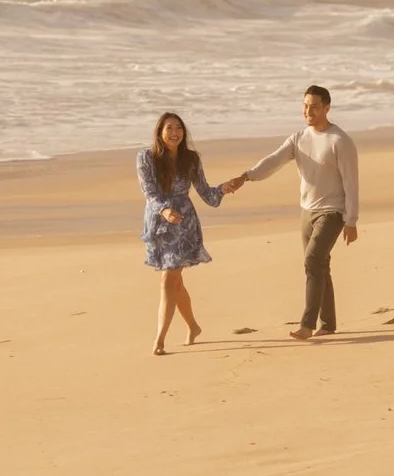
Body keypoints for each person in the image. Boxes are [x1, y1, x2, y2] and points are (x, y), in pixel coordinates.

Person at [221, 84, 358, 340]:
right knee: (320, 265)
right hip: (307, 211)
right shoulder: (299, 138)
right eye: (305, 106)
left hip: (333, 211)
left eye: (315, 106)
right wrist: (245, 177)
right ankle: (328, 323)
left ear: (327, 108)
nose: (309, 111)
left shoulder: (340, 141)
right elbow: (273, 161)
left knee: (312, 261)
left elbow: (351, 182)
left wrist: (351, 220)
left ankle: (307, 324)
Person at [136, 111, 223, 355]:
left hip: (184, 224)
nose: (174, 132)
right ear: (160, 133)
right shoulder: (146, 158)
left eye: (178, 128)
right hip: (159, 223)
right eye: (169, 128)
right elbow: (149, 192)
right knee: (175, 282)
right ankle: (194, 326)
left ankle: (159, 339)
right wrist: (164, 211)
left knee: (168, 280)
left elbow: (207, 194)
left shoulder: (191, 159)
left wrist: (226, 188)